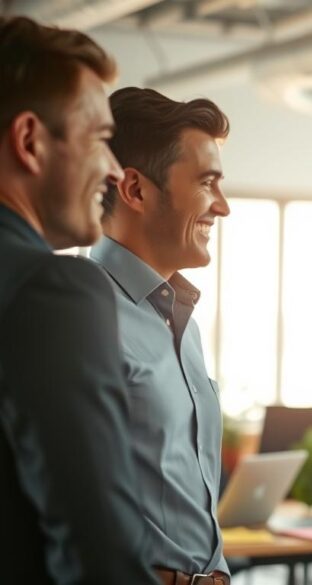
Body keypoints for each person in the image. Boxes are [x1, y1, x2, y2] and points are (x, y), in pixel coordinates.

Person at [0, 16, 157, 584]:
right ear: (30, 142)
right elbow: (101, 549)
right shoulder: (52, 290)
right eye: (99, 140)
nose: (113, 171)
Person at [92, 87, 231, 584]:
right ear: (135, 190)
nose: (223, 207)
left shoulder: (180, 321)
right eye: (207, 183)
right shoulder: (82, 315)